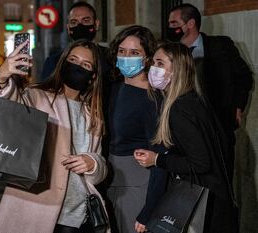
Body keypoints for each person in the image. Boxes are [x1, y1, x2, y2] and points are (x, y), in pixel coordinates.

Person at [0, 39, 108, 233]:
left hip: (76, 214)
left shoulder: (93, 115)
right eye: (73, 59)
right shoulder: (37, 97)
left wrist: (93, 163)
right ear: (62, 63)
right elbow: (10, 108)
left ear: (93, 76)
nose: (78, 66)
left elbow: (99, 169)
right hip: (35, 208)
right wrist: (3, 78)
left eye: (86, 65)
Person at [134, 42, 237, 233]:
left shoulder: (179, 109)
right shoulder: (192, 100)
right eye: (153, 63)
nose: (153, 69)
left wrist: (157, 159)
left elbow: (200, 163)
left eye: (160, 63)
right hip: (214, 199)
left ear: (176, 71)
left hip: (204, 205)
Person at [166, 3, 253, 181]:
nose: (169, 28)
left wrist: (238, 107)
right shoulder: (169, 53)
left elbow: (244, 77)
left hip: (219, 123)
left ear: (190, 24)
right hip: (186, 127)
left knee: (222, 176)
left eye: (174, 23)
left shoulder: (221, 45)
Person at [106, 25, 167, 233]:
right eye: (121, 51)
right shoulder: (113, 88)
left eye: (134, 53)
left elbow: (160, 157)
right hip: (108, 181)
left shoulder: (153, 99)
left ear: (147, 58)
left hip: (137, 185)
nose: (126, 57)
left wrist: (149, 208)